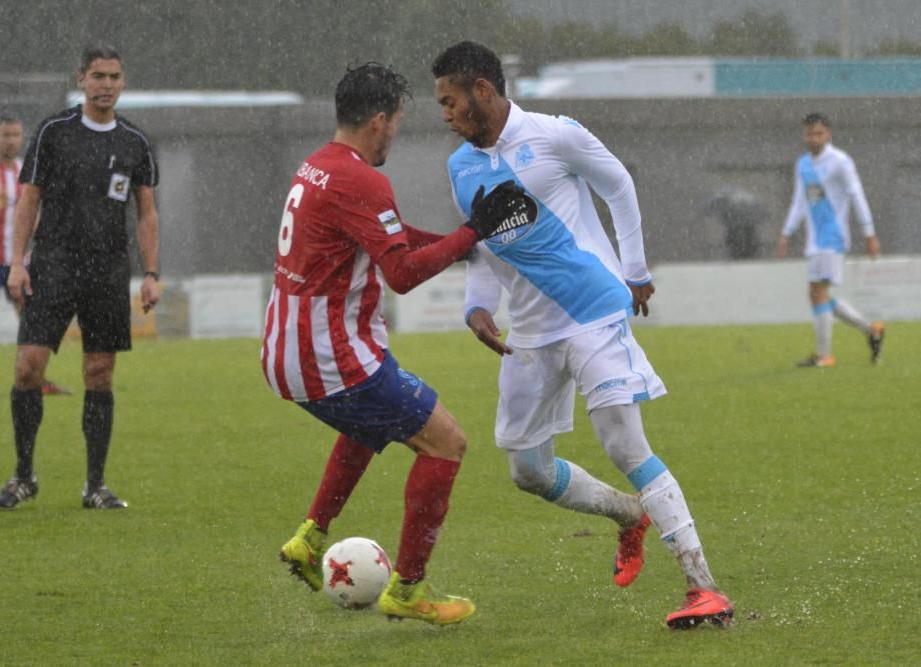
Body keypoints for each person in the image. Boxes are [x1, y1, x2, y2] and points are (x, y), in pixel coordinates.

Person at [431, 41, 733, 630]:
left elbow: (617, 182)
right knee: (528, 472)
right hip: (531, 334)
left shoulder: (554, 133)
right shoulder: (459, 166)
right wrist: (477, 308)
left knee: (624, 444)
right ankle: (628, 515)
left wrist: (636, 271)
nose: (444, 114)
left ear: (483, 91)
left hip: (593, 310)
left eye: (450, 101)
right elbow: (483, 243)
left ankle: (704, 589)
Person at [266, 62, 519, 625]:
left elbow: (391, 243)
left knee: (370, 425)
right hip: (330, 354)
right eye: (397, 123)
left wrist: (467, 244)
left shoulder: (318, 167)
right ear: (379, 120)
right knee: (446, 442)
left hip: (289, 347)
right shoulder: (362, 179)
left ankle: (310, 541)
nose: (395, 135)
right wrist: (473, 231)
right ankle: (408, 589)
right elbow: (401, 272)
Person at [0, 45, 161, 511]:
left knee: (99, 374)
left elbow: (146, 213)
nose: (106, 84)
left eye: (115, 76)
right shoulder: (53, 132)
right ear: (81, 79)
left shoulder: (135, 142)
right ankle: (24, 476)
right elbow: (29, 200)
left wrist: (150, 273)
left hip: (108, 269)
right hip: (54, 263)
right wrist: (18, 262)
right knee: (28, 366)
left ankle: (95, 486)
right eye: (98, 76)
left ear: (123, 82)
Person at [0, 116, 70, 398]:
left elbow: (34, 210)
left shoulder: (25, 170)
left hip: (18, 260)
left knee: (31, 320)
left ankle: (36, 379)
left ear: (22, 137)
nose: (11, 140)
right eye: (6, 134)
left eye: (16, 134)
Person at [775, 112, 884, 368]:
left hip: (832, 237)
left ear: (828, 134)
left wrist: (869, 233)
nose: (814, 138)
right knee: (817, 294)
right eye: (810, 133)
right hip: (814, 240)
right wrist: (786, 233)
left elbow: (857, 195)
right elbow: (799, 201)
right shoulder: (802, 164)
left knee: (819, 291)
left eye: (819, 133)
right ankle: (871, 330)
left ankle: (825, 356)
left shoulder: (840, 162)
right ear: (804, 135)